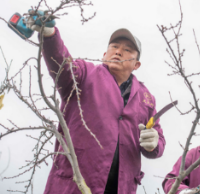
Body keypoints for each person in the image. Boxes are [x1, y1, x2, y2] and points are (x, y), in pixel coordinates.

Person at [26, 12, 166, 194]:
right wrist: (50, 35)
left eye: (128, 50)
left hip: (121, 188)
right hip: (73, 185)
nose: (118, 51)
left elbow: (159, 139)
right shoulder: (85, 73)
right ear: (104, 55)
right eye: (114, 46)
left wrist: (154, 143)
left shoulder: (146, 98)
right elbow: (61, 64)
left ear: (136, 64)